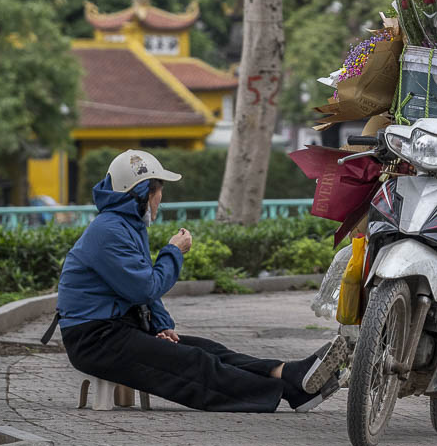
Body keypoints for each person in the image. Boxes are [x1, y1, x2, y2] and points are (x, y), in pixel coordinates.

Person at [54, 149, 348, 412]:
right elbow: (145, 287)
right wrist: (173, 252)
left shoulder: (126, 225)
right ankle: (290, 390)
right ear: (142, 193)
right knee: (194, 363)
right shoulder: (109, 232)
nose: (161, 199)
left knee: (210, 350)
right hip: (95, 340)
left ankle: (290, 373)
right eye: (159, 191)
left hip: (119, 328)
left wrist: (162, 325)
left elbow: (142, 291)